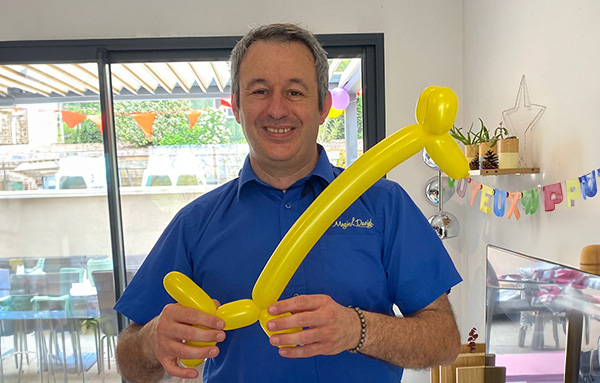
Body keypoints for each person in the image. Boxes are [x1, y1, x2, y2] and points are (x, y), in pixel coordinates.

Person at [114, 22, 462, 383]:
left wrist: (356, 329)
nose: (277, 109)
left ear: (324, 105)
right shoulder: (195, 222)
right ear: (236, 106)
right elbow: (130, 361)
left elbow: (444, 341)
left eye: (295, 92)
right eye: (260, 90)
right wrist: (149, 343)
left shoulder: (384, 205)